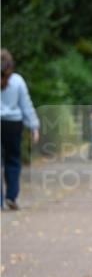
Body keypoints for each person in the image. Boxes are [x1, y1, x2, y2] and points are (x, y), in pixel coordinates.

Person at [1, 49, 40, 210]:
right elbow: (26, 104)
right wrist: (34, 126)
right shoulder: (17, 80)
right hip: (13, 125)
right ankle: (11, 196)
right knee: (13, 160)